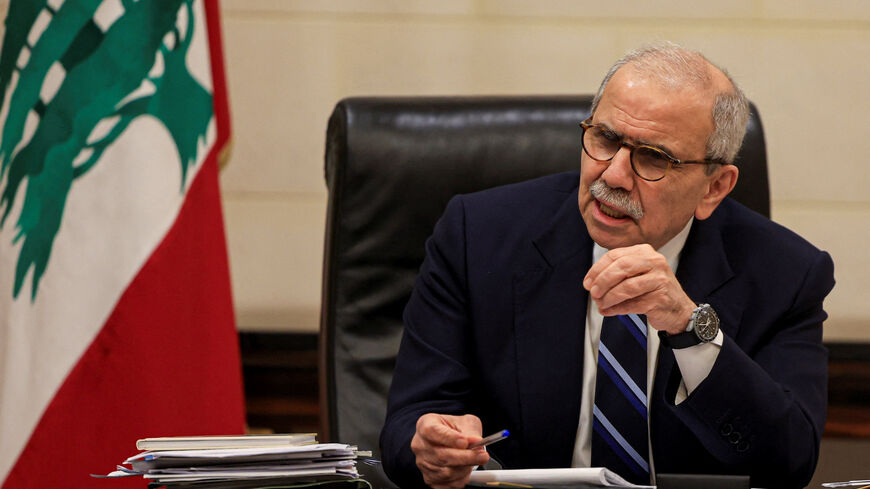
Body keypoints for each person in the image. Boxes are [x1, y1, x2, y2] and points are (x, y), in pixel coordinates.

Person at [379, 42, 835, 489]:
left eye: (654, 157)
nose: (612, 175)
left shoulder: (788, 273)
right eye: (606, 139)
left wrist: (691, 328)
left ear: (714, 187)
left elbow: (788, 465)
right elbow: (406, 424)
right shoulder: (478, 236)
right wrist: (432, 447)